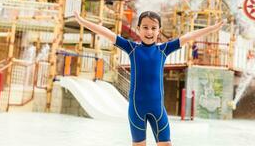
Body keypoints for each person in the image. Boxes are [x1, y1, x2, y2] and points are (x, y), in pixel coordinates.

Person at [74, 11, 223, 146]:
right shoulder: (131, 48)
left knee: (166, 144)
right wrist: (83, 22)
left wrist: (211, 29)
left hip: (158, 110)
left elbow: (188, 36)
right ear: (138, 29)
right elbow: (106, 33)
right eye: (145, 27)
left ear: (159, 31)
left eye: (153, 28)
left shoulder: (163, 49)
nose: (149, 31)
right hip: (136, 109)